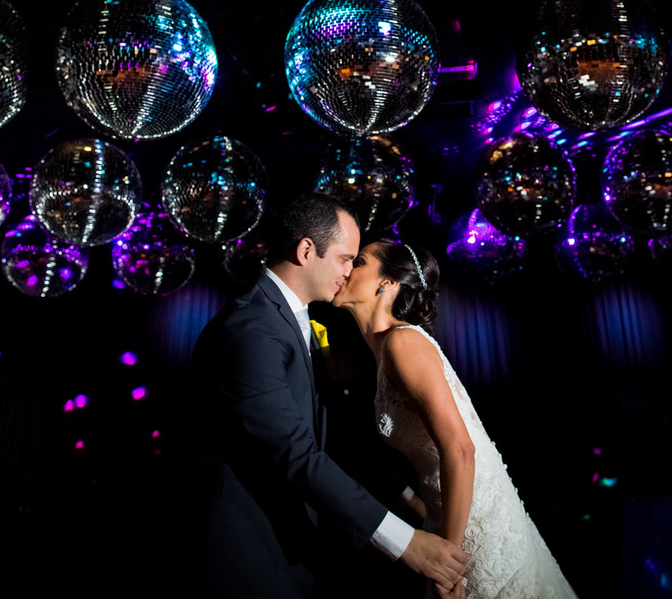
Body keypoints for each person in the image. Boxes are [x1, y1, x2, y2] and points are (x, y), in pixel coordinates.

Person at [189, 195, 467, 598]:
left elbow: (333, 435)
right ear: (306, 251)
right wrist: (406, 543)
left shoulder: (295, 322)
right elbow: (295, 453)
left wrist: (409, 500)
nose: (349, 271)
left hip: (292, 544)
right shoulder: (250, 328)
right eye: (345, 259)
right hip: (245, 547)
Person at [332, 240, 580, 599]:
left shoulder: (403, 343)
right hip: (446, 514)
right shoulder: (387, 348)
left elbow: (461, 449)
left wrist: (448, 564)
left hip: (474, 525)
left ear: (387, 282)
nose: (345, 268)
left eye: (359, 261)